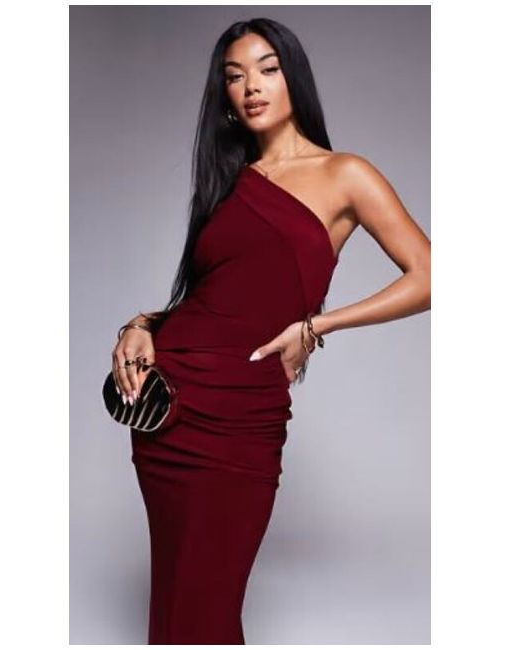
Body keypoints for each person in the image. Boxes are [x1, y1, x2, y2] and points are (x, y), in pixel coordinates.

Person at [111, 17, 430, 645]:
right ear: (225, 98)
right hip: (167, 410)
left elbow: (431, 276)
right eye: (234, 77)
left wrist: (318, 325)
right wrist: (141, 324)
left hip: (243, 417)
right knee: (174, 608)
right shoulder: (229, 183)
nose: (251, 86)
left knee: (209, 606)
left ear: (292, 77)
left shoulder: (345, 174)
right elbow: (211, 298)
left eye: (266, 69)